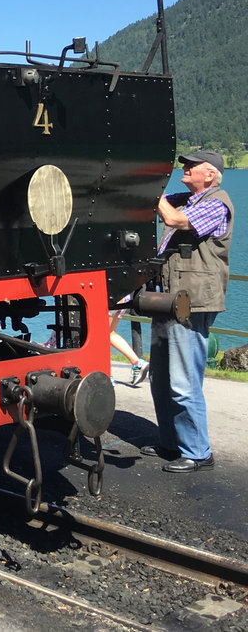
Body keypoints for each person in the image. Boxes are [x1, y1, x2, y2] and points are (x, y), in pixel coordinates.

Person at [141, 149, 233, 473]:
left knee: (183, 381)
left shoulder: (216, 204)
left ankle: (198, 451)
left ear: (209, 174)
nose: (185, 168)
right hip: (169, 299)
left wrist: (151, 192)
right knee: (160, 379)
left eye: (191, 166)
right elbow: (158, 199)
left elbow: (174, 219)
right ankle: (171, 443)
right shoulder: (187, 197)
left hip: (192, 303)